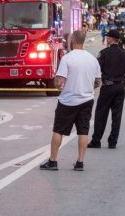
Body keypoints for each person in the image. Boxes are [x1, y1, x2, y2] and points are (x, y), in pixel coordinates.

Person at [40, 31, 101, 171]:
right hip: (86, 99)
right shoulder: (92, 59)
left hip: (68, 100)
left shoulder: (67, 58)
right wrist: (87, 86)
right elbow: (98, 82)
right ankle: (80, 162)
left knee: (58, 130)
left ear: (72, 40)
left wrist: (56, 84)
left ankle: (53, 161)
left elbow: (59, 81)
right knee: (83, 131)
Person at [87, 30, 125, 150]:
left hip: (107, 87)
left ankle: (96, 140)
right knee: (117, 116)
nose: (106, 40)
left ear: (111, 39)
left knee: (101, 114)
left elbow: (97, 68)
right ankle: (113, 142)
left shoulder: (104, 53)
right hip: (120, 87)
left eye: (107, 38)